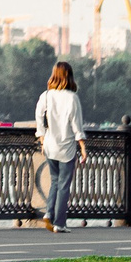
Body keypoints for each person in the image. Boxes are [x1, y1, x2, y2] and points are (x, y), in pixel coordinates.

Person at [36, 61, 86, 231]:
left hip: (50, 145)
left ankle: (49, 213)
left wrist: (42, 137)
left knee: (55, 181)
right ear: (69, 76)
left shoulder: (47, 95)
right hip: (67, 147)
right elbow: (77, 125)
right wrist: (83, 148)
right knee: (64, 184)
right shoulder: (72, 98)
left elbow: (38, 115)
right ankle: (59, 223)